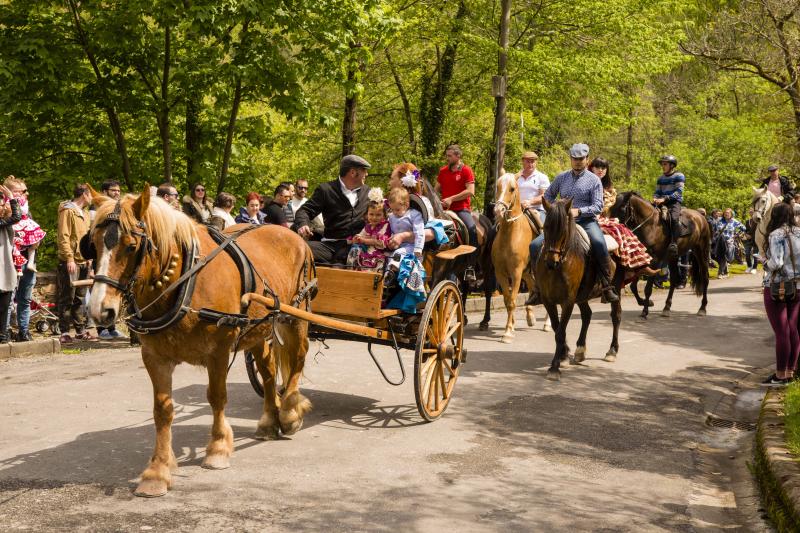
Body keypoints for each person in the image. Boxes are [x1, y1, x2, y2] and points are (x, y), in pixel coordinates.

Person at [527, 143, 619, 304]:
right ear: (571, 159)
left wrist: (579, 211)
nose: (577, 161)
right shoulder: (561, 177)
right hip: (562, 223)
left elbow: (598, 206)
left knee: (599, 243)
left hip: (586, 221)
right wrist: (554, 209)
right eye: (574, 158)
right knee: (534, 246)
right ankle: (537, 288)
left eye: (581, 159)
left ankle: (606, 285)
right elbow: (548, 196)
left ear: (587, 159)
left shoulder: (594, 180)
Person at [293, 154, 372, 264]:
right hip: (330, 247)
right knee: (294, 247)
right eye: (364, 170)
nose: (366, 174)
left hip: (359, 247)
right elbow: (304, 211)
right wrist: (303, 224)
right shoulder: (326, 190)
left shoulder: (369, 192)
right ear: (353, 172)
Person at [591, 158, 659, 277]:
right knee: (620, 230)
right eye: (597, 167)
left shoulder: (610, 189)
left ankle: (635, 265)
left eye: (603, 168)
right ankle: (634, 266)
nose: (600, 170)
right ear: (592, 168)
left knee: (625, 230)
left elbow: (608, 209)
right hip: (590, 217)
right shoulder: (586, 183)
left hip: (603, 218)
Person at [761, 202, 800, 386]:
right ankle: (790, 371)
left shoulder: (776, 234)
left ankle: (780, 375)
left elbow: (775, 263)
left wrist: (763, 261)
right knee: (793, 329)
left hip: (777, 286)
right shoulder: (799, 231)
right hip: (798, 286)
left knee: (781, 331)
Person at [56, 184, 95, 343]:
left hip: (84, 261)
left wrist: (90, 258)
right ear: (84, 195)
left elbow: (88, 238)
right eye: (91, 195)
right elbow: (63, 236)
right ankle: (64, 331)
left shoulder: (85, 213)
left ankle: (80, 330)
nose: (92, 198)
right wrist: (69, 258)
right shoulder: (67, 211)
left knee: (80, 298)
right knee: (67, 297)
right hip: (70, 261)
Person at [4, 178, 41, 342]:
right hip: (10, 260)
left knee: (25, 298)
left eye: (24, 191)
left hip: (27, 260)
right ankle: (4, 331)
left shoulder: (27, 209)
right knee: (8, 299)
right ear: (10, 191)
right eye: (20, 191)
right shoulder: (4, 209)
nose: (24, 194)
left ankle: (24, 331)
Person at [436, 144, 477, 281]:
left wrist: (451, 199)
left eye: (449, 156)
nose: (447, 158)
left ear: (458, 156)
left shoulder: (466, 170)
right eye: (446, 156)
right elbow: (436, 190)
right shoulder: (442, 171)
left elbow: (470, 191)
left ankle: (471, 266)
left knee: (471, 229)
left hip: (461, 209)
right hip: (444, 210)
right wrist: (436, 202)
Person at [346, 188, 392, 271]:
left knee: (377, 263)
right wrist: (356, 238)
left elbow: (379, 241)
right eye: (371, 214)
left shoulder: (385, 225)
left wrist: (363, 240)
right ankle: (351, 271)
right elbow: (361, 235)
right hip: (366, 252)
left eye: (378, 215)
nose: (374, 217)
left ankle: (374, 278)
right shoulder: (368, 226)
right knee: (355, 248)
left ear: (384, 215)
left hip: (378, 254)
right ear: (367, 214)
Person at [0, 184, 21, 343]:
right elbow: (16, 217)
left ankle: (2, 335)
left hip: (5, 269)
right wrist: (12, 198)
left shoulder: (3, 222)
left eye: (3, 203)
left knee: (5, 304)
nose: (2, 205)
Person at [653, 155, 685, 258]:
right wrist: (655, 198)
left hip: (674, 202)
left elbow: (679, 192)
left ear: (672, 165)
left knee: (674, 218)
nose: (663, 166)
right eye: (662, 164)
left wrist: (665, 199)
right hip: (661, 202)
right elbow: (657, 192)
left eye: (665, 164)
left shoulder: (679, 176)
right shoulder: (660, 178)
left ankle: (674, 243)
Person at [516, 151, 549, 224]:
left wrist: (530, 202)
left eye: (532, 162)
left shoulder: (542, 177)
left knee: (543, 231)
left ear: (536, 163)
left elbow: (544, 196)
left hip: (537, 210)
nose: (530, 164)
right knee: (496, 228)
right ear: (523, 162)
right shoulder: (516, 177)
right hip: (517, 210)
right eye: (528, 161)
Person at [712, 208, 746, 278]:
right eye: (725, 213)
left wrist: (738, 235)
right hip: (720, 242)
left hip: (729, 241)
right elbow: (715, 229)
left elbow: (744, 228)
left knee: (727, 257)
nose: (726, 214)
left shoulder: (734, 221)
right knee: (720, 256)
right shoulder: (719, 220)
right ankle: (722, 271)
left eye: (728, 213)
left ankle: (723, 272)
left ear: (731, 214)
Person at [744, 207, 759, 274]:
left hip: (756, 239)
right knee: (747, 253)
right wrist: (746, 235)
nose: (751, 213)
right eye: (750, 212)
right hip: (748, 240)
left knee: (755, 254)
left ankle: (754, 268)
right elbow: (746, 230)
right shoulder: (747, 221)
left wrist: (752, 236)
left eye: (752, 212)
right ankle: (749, 266)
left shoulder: (758, 221)